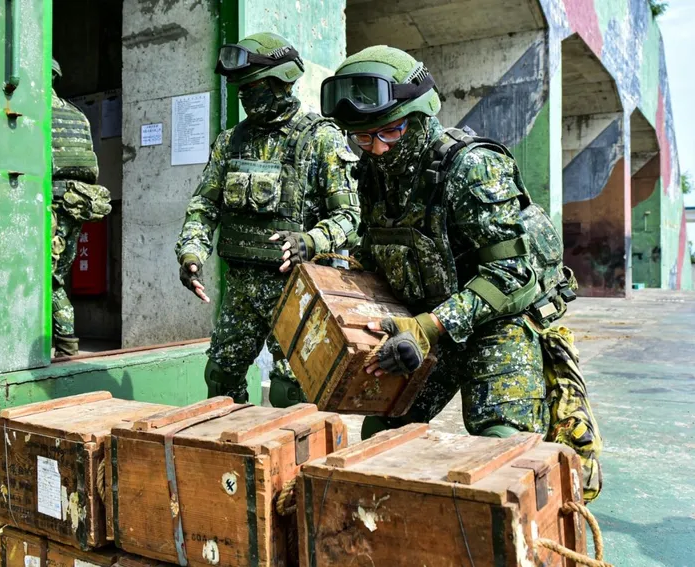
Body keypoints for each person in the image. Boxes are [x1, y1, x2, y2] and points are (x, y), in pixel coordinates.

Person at [320, 46, 602, 501]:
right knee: (382, 430)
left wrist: (429, 327)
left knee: (500, 447)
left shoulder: (471, 167)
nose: (375, 149)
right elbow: (376, 252)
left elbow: (512, 274)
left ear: (420, 116)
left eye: (389, 133)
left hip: (497, 323)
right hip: (428, 326)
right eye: (362, 139)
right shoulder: (373, 175)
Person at [175, 32, 361, 407]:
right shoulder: (230, 142)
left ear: (282, 82)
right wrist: (192, 253)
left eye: (253, 87)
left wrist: (310, 241)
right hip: (242, 289)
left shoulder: (320, 138)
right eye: (241, 89)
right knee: (220, 377)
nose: (245, 97)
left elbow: (350, 216)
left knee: (290, 391)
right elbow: (204, 206)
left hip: (296, 289)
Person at [50, 59, 112, 357]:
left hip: (48, 206)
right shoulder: (77, 115)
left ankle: (64, 344)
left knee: (47, 280)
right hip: (76, 203)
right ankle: (67, 344)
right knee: (57, 276)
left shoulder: (35, 115)